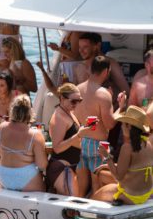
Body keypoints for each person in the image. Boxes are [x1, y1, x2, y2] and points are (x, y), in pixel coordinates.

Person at [76, 55, 128, 195]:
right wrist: (120, 106)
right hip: (99, 145)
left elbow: (89, 119)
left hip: (81, 142)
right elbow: (110, 124)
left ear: (91, 69)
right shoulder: (103, 94)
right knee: (97, 185)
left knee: (81, 187)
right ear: (106, 71)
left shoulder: (77, 89)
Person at [93, 105, 153, 205]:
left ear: (128, 126)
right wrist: (111, 165)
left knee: (95, 197)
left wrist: (106, 156)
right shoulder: (147, 143)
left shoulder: (127, 147)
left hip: (132, 196)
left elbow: (118, 177)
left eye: (123, 124)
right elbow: (135, 166)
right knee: (101, 174)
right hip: (146, 193)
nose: (121, 126)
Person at [0, 95, 47, 192]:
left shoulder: (1, 128)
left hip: (4, 176)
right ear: (30, 112)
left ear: (12, 110)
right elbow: (42, 165)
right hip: (27, 177)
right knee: (44, 189)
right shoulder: (35, 134)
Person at [45, 82, 93, 195]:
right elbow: (57, 148)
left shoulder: (69, 113)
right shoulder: (58, 117)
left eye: (79, 101)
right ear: (62, 98)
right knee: (71, 204)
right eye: (73, 101)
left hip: (72, 166)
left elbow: (73, 138)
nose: (76, 104)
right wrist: (78, 135)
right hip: (61, 168)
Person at [73, 32, 129, 98]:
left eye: (85, 47)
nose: (81, 51)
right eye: (79, 47)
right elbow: (74, 92)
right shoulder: (78, 67)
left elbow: (126, 91)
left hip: (107, 106)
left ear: (97, 46)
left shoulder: (110, 63)